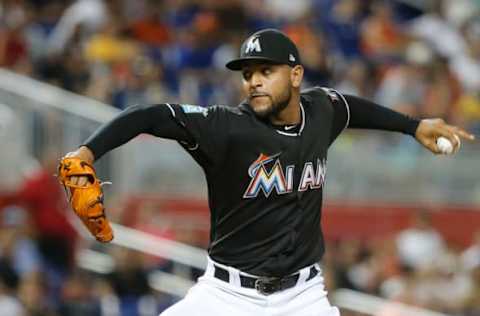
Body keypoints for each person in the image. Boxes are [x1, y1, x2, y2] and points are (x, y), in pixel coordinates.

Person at [63, 29, 475, 316]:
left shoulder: (320, 111)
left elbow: (353, 108)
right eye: (247, 74)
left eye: (266, 71)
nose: (254, 82)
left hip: (303, 298)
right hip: (226, 296)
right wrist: (85, 153)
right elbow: (148, 115)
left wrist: (413, 125)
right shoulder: (226, 127)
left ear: (295, 75)